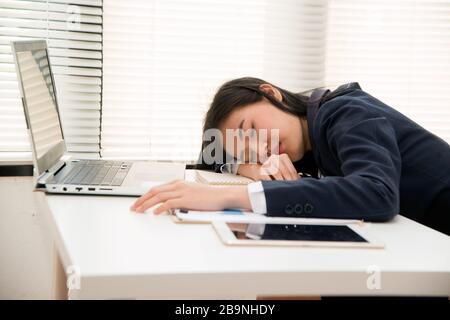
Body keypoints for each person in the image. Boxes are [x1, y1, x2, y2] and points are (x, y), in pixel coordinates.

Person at [131, 77, 450, 236]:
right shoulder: (313, 144)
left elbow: (376, 193)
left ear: (270, 92)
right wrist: (251, 168)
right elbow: (215, 160)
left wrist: (231, 195)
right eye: (248, 151)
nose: (262, 147)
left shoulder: (345, 112)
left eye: (252, 129)